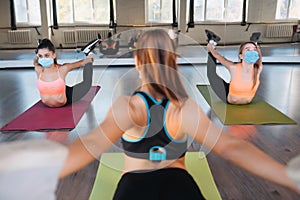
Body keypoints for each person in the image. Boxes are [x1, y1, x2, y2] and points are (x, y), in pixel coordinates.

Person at [58, 29, 299, 199]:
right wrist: (288, 176)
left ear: (137, 60)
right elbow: (231, 147)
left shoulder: (127, 106)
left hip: (134, 186)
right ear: (173, 60)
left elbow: (90, 143)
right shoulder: (185, 108)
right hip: (179, 184)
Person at [206, 29, 263, 104]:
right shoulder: (233, 68)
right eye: (248, 50)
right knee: (211, 74)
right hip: (226, 96)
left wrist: (254, 43)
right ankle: (213, 41)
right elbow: (218, 56)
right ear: (241, 56)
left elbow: (258, 56)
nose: (252, 52)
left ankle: (253, 42)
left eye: (254, 49)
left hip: (237, 89)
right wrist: (211, 48)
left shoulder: (257, 69)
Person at [34, 38, 94, 107]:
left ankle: (88, 52)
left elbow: (82, 63)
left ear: (54, 55)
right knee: (55, 85)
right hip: (58, 89)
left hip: (67, 97)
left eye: (47, 55)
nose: (43, 59)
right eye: (40, 56)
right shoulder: (38, 69)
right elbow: (36, 61)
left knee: (86, 84)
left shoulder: (62, 69)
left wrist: (89, 59)